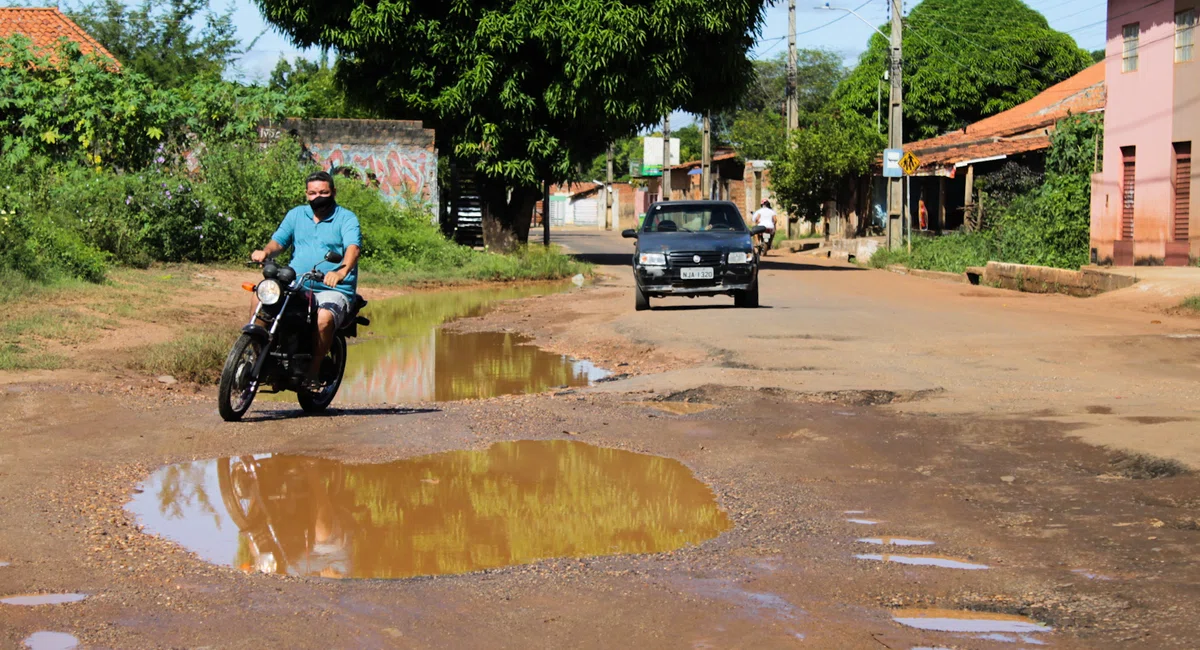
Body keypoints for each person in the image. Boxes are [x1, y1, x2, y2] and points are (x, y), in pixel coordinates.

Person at [251, 171, 362, 390]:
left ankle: (313, 371)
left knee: (324, 318)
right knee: (261, 301)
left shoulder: (346, 218)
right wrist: (266, 252)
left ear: (333, 192)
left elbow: (353, 249)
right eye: (313, 193)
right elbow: (279, 241)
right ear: (306, 194)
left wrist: (340, 272)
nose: (318, 197)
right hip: (297, 282)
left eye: (323, 192)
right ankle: (260, 359)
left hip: (333, 288)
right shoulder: (296, 215)